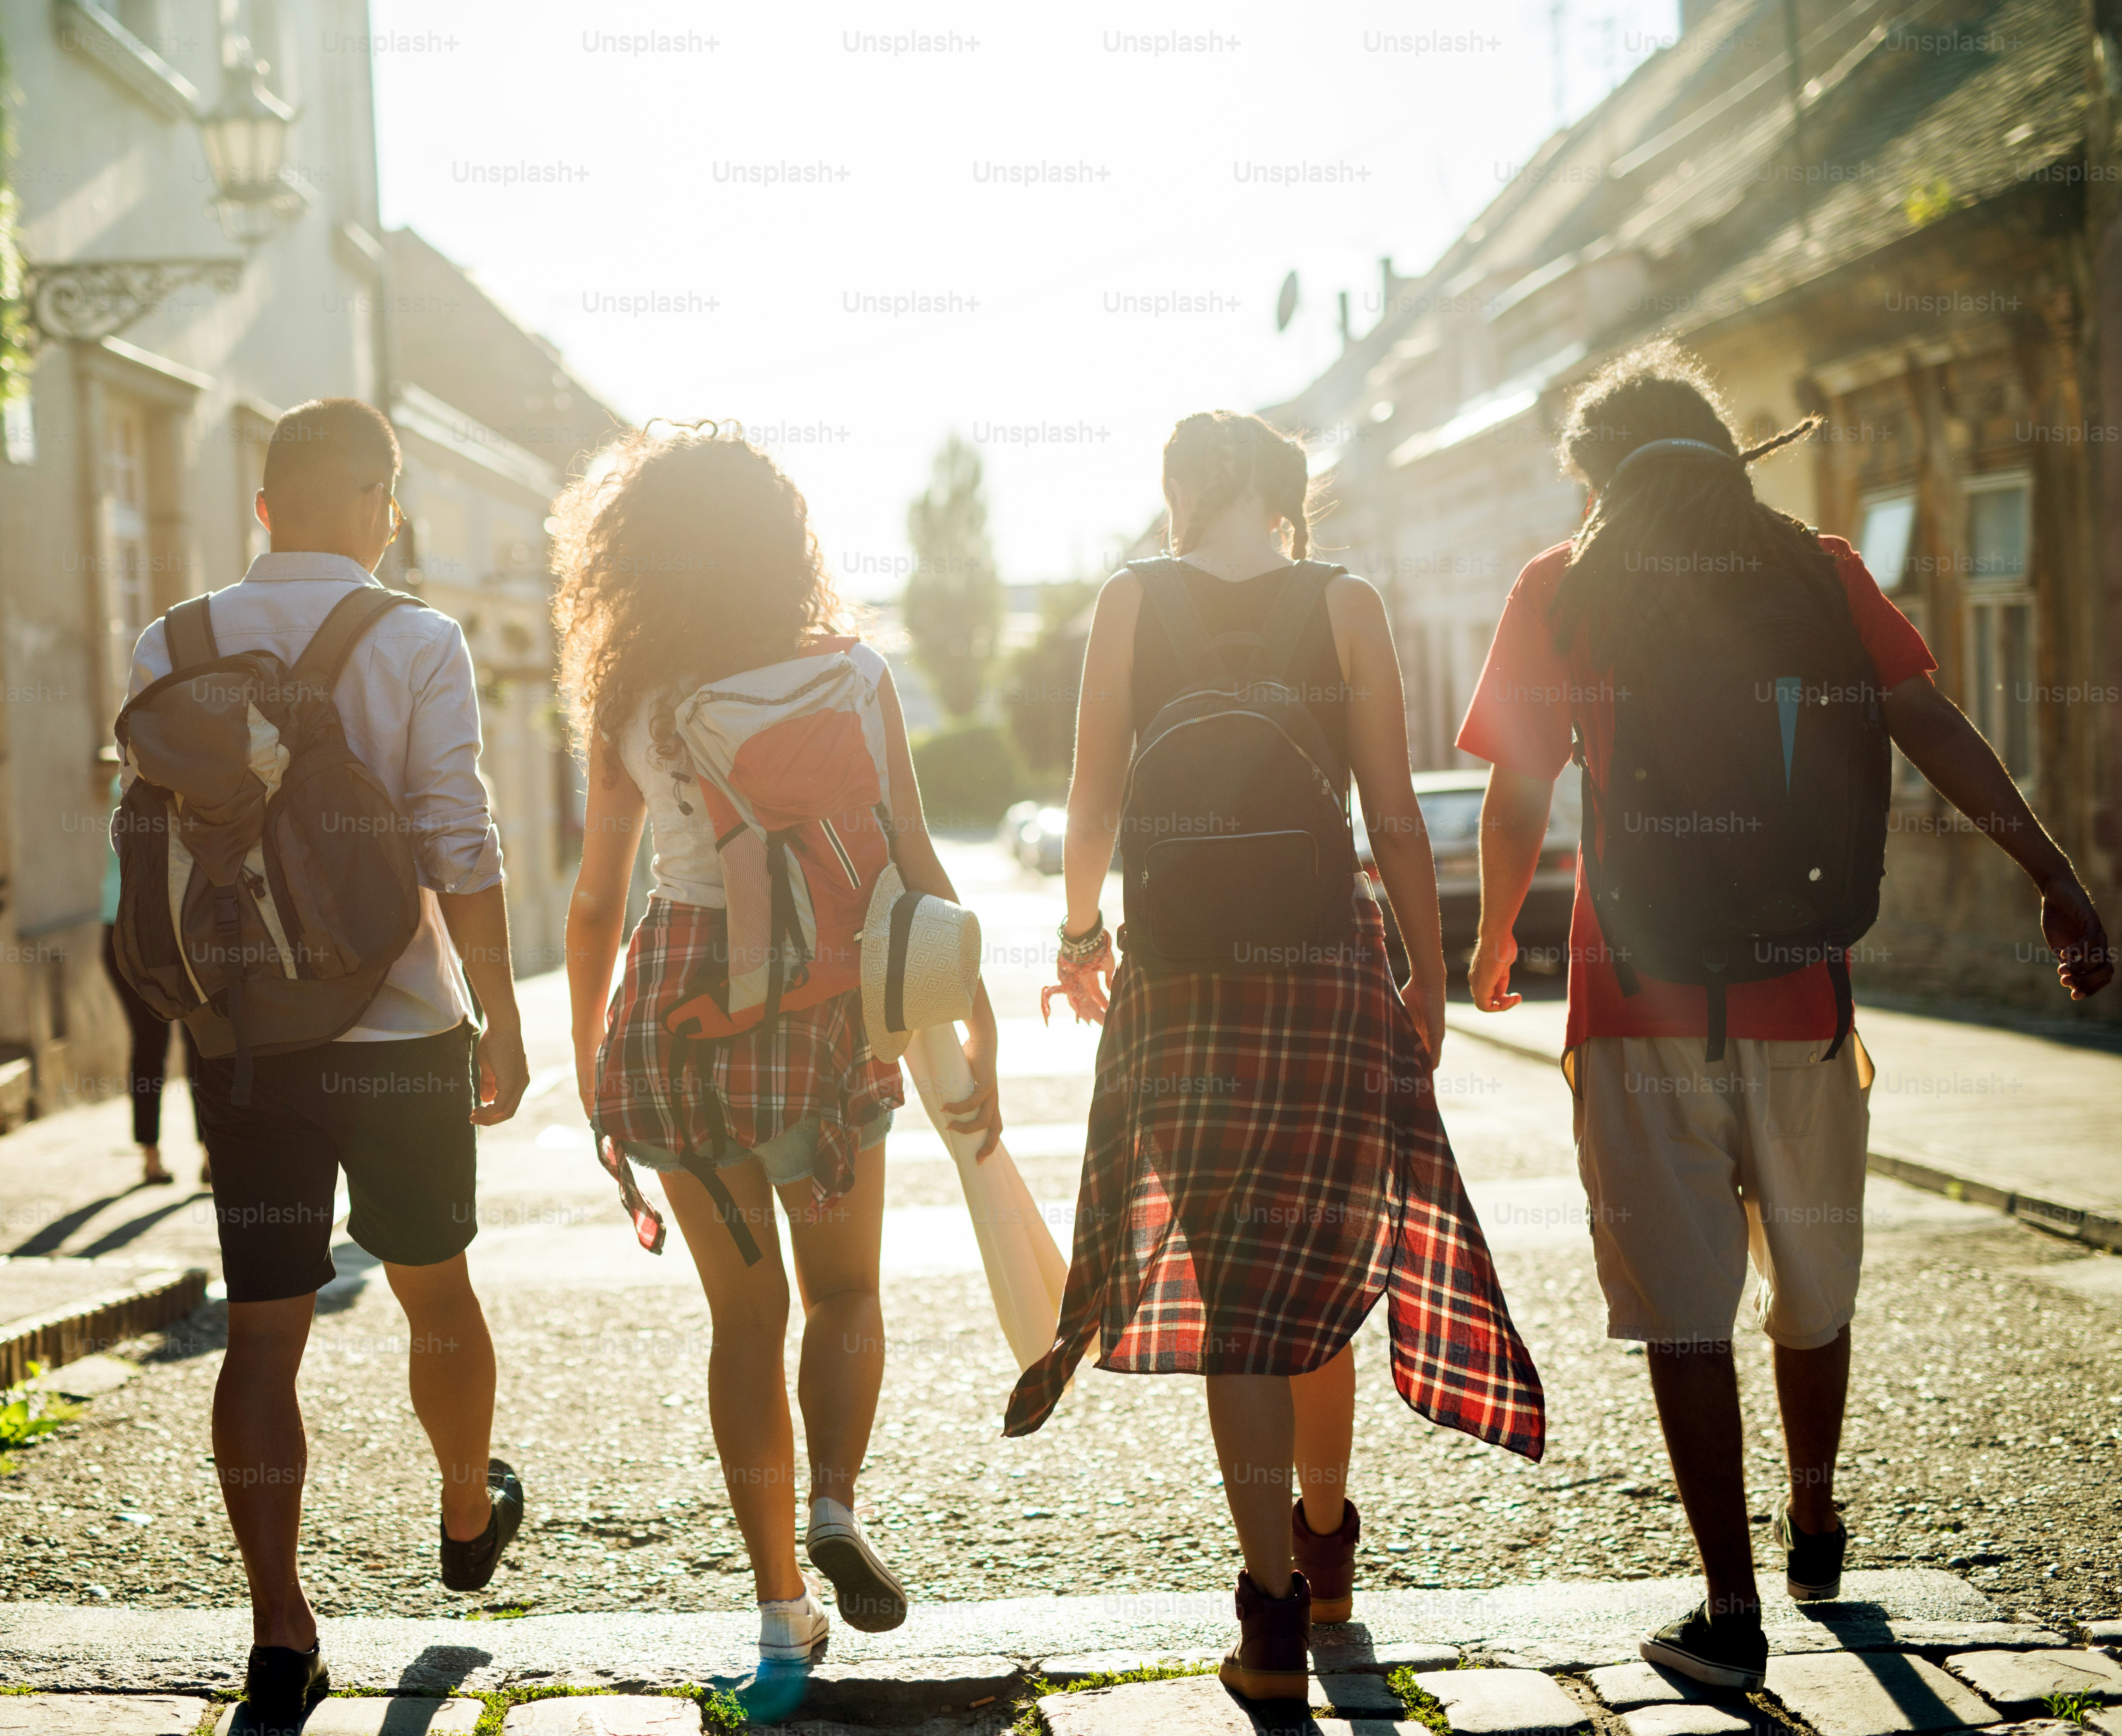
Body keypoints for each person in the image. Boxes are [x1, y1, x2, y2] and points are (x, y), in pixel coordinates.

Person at [1458, 342, 2114, 1690]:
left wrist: (1485, 933)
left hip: (1628, 1000)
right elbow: (1928, 722)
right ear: (1718, 448)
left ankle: (1728, 1607)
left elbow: (1518, 787)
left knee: (1681, 1311)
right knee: (1808, 1294)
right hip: (1801, 989)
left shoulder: (1559, 585)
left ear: (1595, 475)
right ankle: (1812, 1515)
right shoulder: (1814, 569)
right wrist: (2049, 875)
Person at [1009, 411, 1545, 1704]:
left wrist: (1079, 931)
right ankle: (1325, 1542)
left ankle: (1268, 1619)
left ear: (1191, 487)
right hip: (1322, 968)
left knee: (1237, 1294)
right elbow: (1392, 814)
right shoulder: (1345, 602)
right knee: (1320, 1255)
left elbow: (1089, 794)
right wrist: (1423, 973)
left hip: (1183, 980)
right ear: (1285, 495)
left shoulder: (1131, 600)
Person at [559, 424, 1002, 1665]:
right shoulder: (855, 678)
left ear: (636, 555)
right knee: (846, 1290)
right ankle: (836, 1504)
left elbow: (597, 900)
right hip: (820, 1002)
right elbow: (914, 858)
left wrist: (594, 1062)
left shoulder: (631, 697)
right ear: (781, 540)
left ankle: (776, 1610)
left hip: (676, 1010)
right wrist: (974, 1014)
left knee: (741, 1320)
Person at [123, 398, 531, 1724]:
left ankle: (281, 1631)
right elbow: (453, 837)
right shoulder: (416, 638)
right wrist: (503, 1016)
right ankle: (467, 1508)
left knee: (262, 1331)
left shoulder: (170, 641)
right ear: (377, 502)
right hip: (401, 1028)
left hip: (244, 1039)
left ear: (261, 510)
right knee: (438, 1296)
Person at [99, 760, 206, 1187]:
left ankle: (165, 1155)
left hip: (139, 927)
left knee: (175, 1043)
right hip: (141, 928)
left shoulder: (128, 783)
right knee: (184, 1041)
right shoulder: (148, 785)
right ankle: (169, 1154)